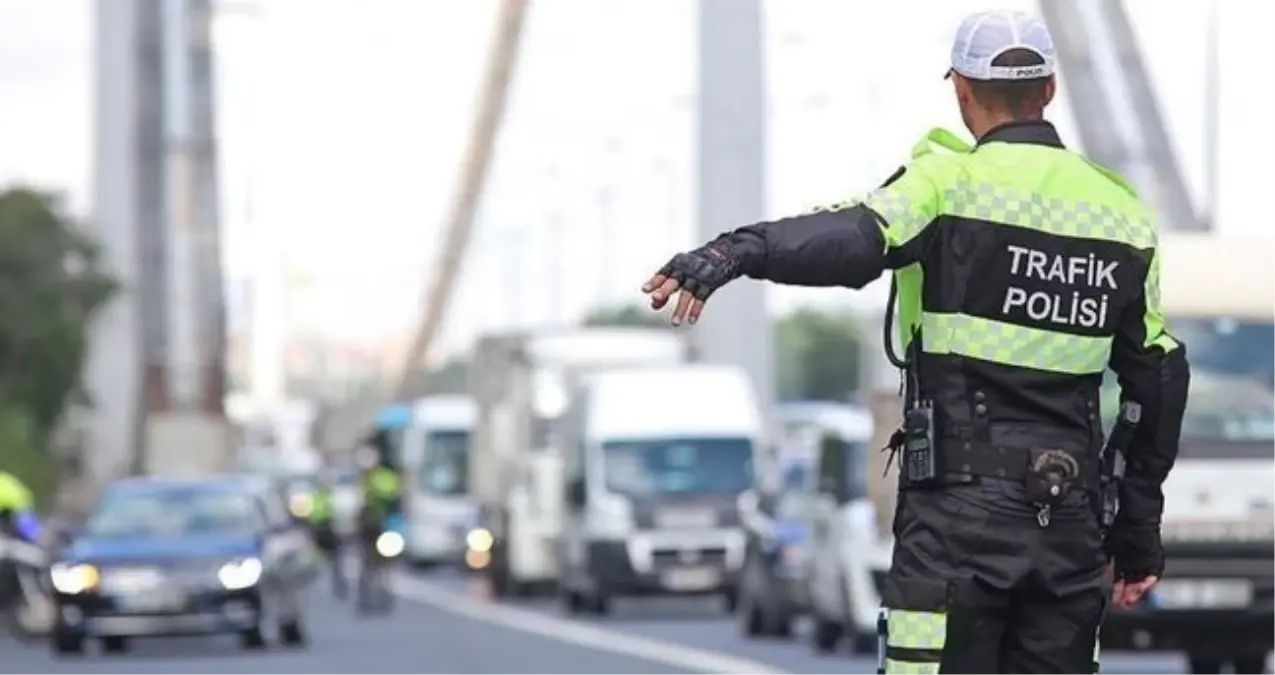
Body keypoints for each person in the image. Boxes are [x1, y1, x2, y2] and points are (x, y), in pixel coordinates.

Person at [640, 10, 1189, 674]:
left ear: (960, 88)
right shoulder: (1121, 213)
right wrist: (1135, 535)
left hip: (955, 525)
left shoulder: (944, 184)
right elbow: (1156, 380)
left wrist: (734, 252)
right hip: (1067, 526)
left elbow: (847, 241)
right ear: (1049, 89)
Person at [307, 471, 344, 598]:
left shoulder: (332, 496)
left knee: (336, 559)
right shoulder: (315, 496)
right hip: (320, 530)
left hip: (331, 529)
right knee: (321, 560)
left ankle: (338, 584)